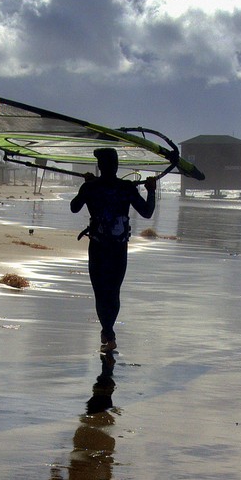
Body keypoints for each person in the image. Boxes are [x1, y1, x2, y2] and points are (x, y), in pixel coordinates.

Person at [70, 148, 157, 352]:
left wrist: (86, 186)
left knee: (100, 293)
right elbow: (147, 212)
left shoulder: (91, 188)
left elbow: (74, 207)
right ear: (116, 166)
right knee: (113, 292)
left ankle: (108, 332)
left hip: (98, 247)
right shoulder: (125, 187)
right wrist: (151, 190)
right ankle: (108, 333)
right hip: (118, 248)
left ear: (99, 166)